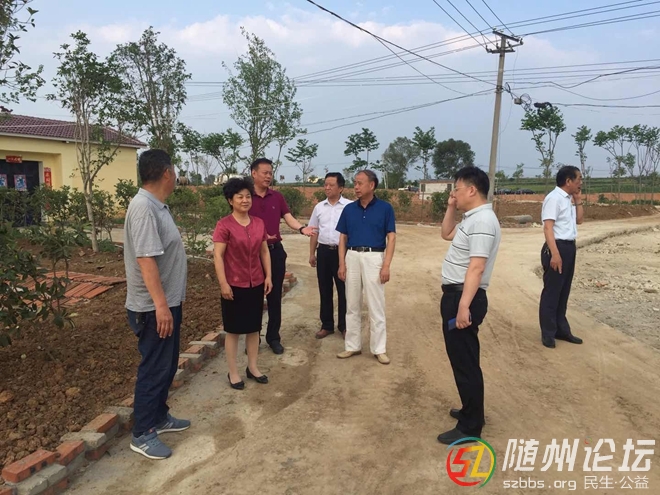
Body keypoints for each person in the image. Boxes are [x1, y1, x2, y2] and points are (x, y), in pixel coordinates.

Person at [124, 149, 190, 460]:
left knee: (166, 365)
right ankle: (143, 433)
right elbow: (146, 260)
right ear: (167, 173)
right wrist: (161, 307)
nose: (175, 176)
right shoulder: (143, 208)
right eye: (174, 170)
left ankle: (159, 417)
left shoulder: (157, 205)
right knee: (154, 368)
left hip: (167, 303)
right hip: (153, 308)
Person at [437, 166, 501, 445]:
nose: (455, 193)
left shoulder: (483, 221)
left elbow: (477, 267)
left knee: (465, 363)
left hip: (464, 297)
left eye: (457, 189)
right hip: (458, 296)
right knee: (464, 359)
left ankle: (470, 427)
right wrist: (451, 206)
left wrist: (464, 306)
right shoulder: (472, 218)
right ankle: (470, 410)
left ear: (472, 190)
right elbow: (446, 233)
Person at [249, 158, 317, 354]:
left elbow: (288, 217)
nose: (268, 176)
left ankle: (273, 337)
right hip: (252, 255)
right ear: (254, 173)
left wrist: (301, 228)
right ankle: (253, 339)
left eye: (271, 173)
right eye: (265, 172)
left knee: (274, 297)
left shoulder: (276, 197)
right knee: (253, 298)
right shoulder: (245, 197)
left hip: (274, 252)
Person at [212, 178, 273, 389]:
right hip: (233, 285)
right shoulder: (224, 225)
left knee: (254, 328)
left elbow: (264, 252)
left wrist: (268, 276)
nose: (245, 200)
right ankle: (233, 372)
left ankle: (253, 367)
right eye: (240, 197)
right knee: (234, 330)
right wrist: (223, 283)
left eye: (248, 196)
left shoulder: (259, 223)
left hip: (255, 283)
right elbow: (218, 256)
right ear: (230, 200)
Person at [336, 170, 396, 365]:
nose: (356, 187)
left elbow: (391, 237)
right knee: (352, 304)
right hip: (352, 256)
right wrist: (342, 263)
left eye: (360, 183)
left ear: (372, 185)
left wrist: (386, 265)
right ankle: (352, 345)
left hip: (374, 257)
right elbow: (342, 238)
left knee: (376, 304)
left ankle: (379, 349)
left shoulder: (385, 208)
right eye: (355, 183)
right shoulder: (349, 209)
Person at [539, 166, 584, 349]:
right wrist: (555, 254)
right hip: (557, 248)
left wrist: (578, 201)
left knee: (563, 291)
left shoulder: (568, 199)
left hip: (569, 247)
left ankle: (561, 330)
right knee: (552, 292)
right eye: (578, 179)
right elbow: (548, 227)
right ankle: (548, 333)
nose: (581, 183)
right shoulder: (554, 198)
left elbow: (579, 220)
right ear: (568, 181)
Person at [308, 172, 352, 339]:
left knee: (344, 290)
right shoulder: (319, 207)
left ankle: (344, 326)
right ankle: (327, 325)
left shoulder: (350, 207)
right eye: (325, 184)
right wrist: (312, 253)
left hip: (343, 253)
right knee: (324, 289)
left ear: (341, 188)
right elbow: (314, 231)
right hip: (324, 252)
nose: (327, 187)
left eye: (331, 185)